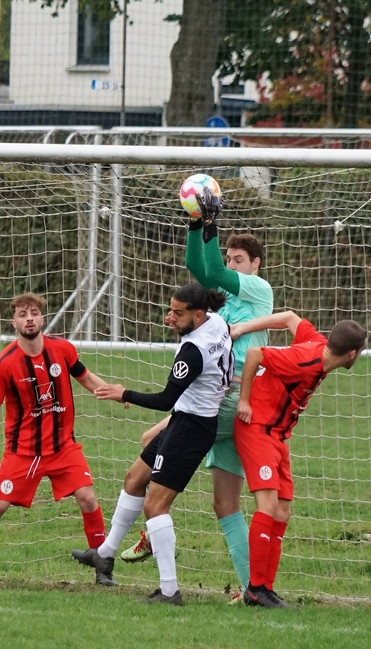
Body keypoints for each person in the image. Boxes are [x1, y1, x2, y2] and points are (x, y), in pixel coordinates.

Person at [119, 187, 273, 602]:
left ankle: (153, 528)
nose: (230, 265)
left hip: (227, 401)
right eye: (229, 258)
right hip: (227, 403)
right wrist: (195, 223)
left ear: (256, 265)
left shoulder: (258, 290)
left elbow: (214, 272)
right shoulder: (221, 302)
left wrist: (212, 221)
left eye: (238, 260)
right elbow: (197, 265)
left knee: (151, 446)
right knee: (225, 504)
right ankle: (253, 588)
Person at [72, 283, 233, 605]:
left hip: (192, 428)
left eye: (178, 313)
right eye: (170, 310)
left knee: (155, 506)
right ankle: (104, 554)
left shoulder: (193, 351)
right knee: (134, 478)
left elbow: (165, 400)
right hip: (185, 419)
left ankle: (169, 591)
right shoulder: (217, 321)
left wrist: (123, 393)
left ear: (197, 315)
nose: (169, 318)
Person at [0, 292, 112, 587]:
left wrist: (114, 392)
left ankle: (103, 568)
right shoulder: (5, 363)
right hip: (22, 452)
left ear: (42, 318)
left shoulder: (63, 349)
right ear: (14, 323)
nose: (29, 318)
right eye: (22, 314)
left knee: (87, 497)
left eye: (34, 313)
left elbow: (85, 377)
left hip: (62, 447)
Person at [230, 310, 367, 608]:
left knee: (282, 511)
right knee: (268, 506)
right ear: (352, 354)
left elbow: (290, 318)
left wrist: (242, 326)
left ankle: (266, 588)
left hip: (278, 435)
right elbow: (255, 354)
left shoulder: (318, 344)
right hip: (257, 428)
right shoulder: (303, 361)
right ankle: (254, 589)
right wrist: (244, 401)